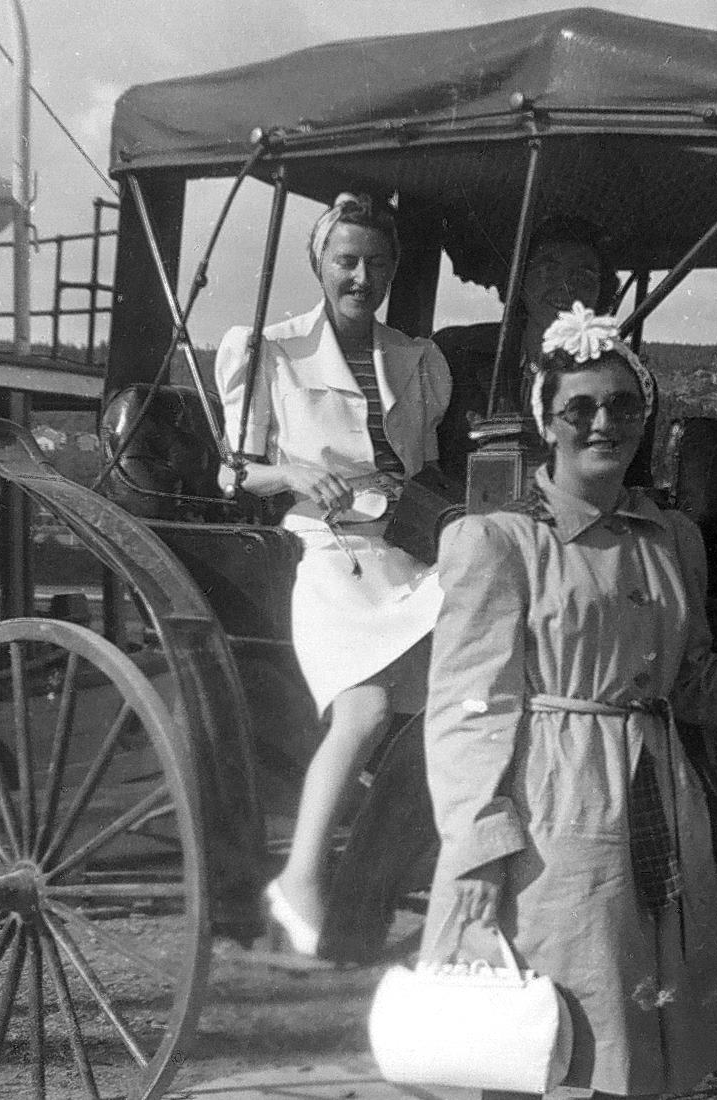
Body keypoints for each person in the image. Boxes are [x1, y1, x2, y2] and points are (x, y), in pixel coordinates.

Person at [422, 305, 717, 1099]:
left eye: (624, 406)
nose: (603, 423)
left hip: (657, 798)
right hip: (552, 814)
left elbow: (692, 685)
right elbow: (467, 710)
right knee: (551, 1036)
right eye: (580, 408)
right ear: (546, 421)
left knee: (650, 1039)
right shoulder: (497, 543)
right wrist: (479, 847)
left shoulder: (671, 540)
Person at [214, 193, 453, 957]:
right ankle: (302, 877)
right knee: (366, 712)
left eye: (377, 264)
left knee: (470, 684)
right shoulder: (270, 352)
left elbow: (430, 471)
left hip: (408, 556)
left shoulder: (417, 360)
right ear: (320, 264)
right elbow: (234, 473)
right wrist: (288, 471)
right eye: (347, 261)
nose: (362, 277)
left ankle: (393, 874)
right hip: (325, 552)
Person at [432, 215, 618, 482]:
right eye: (548, 270)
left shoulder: (617, 379)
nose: (566, 286)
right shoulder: (456, 353)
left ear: (602, 292)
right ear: (519, 279)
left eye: (583, 276)